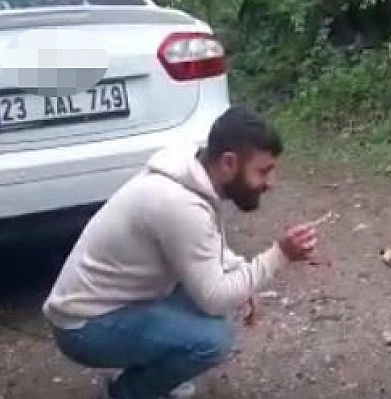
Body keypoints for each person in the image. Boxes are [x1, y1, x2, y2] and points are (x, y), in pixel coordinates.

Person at [42, 105, 320, 399]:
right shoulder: (179, 204)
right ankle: (125, 392)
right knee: (212, 340)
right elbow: (214, 299)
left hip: (110, 306)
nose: (270, 183)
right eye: (263, 171)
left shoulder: (190, 174)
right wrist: (280, 255)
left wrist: (239, 270)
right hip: (84, 327)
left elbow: (207, 246)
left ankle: (145, 363)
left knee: (215, 306)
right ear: (228, 163)